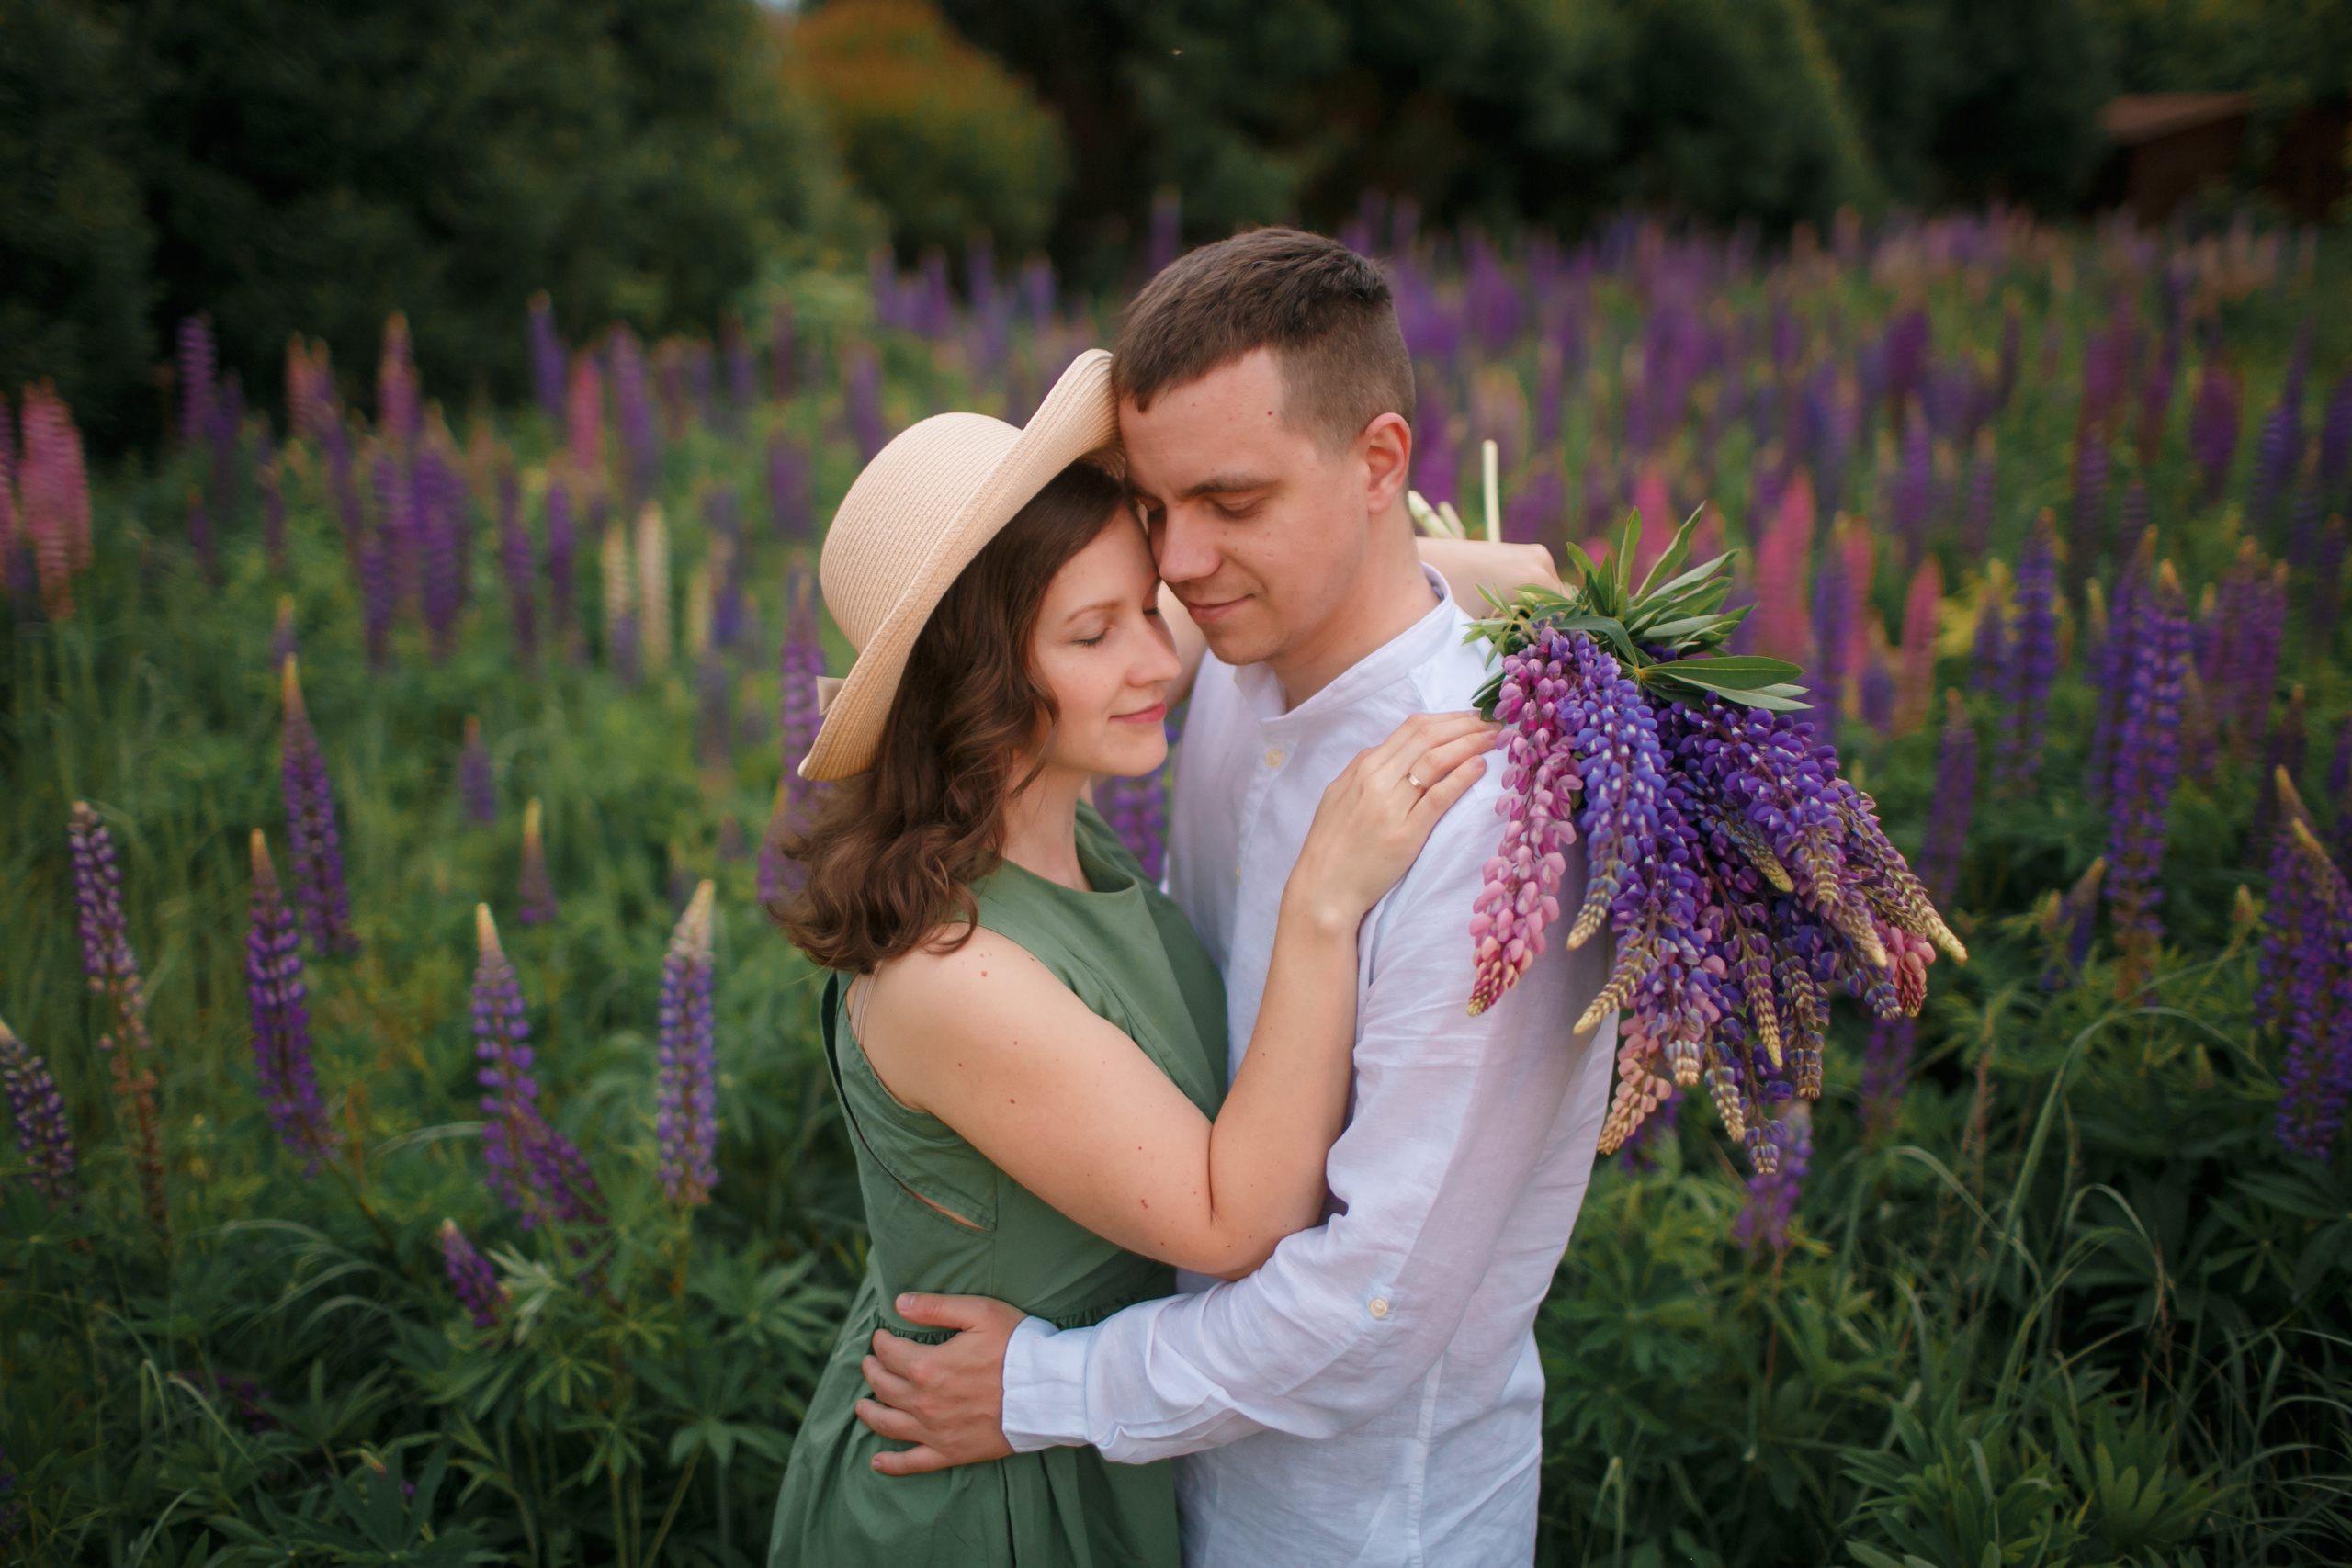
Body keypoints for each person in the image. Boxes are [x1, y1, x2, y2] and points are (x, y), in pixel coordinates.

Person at [850, 229, 1620, 1566]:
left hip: (1352, 1523)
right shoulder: (1228, 668)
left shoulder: (1492, 812)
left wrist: (1043, 1388)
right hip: (1145, 1491)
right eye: (1154, 509)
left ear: (1382, 464)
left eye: (1232, 500)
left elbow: (1368, 1309)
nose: (1180, 567)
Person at [763, 349, 1500, 1567]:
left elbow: (1391, 584)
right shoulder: (956, 971)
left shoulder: (1056, 828)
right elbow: (1226, 1220)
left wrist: (1494, 583)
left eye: (1147, 607)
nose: (1160, 662)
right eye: (1096, 634)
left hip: (1065, 1444)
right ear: (981, 685)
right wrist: (1324, 901)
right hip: (974, 1494)